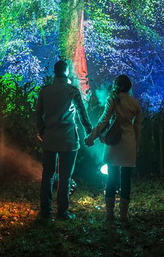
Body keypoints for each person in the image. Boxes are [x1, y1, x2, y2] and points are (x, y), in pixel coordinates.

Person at [35, 59, 92, 220]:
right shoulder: (72, 90)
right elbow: (82, 112)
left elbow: (38, 114)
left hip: (50, 137)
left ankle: (45, 211)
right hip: (68, 138)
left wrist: (41, 131)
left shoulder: (45, 91)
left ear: (54, 72)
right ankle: (62, 212)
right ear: (66, 72)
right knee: (65, 177)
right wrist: (89, 130)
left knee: (47, 175)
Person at [85, 74, 141, 223]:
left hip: (113, 144)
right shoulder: (135, 103)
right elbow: (137, 127)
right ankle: (123, 216)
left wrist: (91, 137)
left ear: (116, 86)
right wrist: (137, 145)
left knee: (111, 178)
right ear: (129, 87)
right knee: (126, 180)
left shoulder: (113, 100)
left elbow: (103, 121)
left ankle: (110, 215)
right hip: (129, 143)